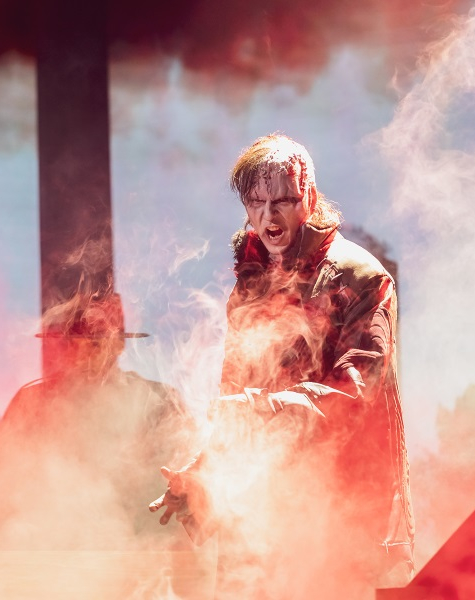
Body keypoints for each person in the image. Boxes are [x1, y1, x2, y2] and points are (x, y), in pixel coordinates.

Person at [150, 134, 414, 598]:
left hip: (336, 513)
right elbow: (235, 402)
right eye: (256, 203)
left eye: (283, 201)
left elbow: (354, 391)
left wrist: (262, 407)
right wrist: (204, 474)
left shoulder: (361, 278)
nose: (269, 217)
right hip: (258, 519)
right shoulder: (250, 286)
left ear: (308, 197)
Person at [0, 287, 202, 596]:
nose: (89, 353)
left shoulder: (157, 399)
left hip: (139, 564)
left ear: (120, 345)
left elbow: (191, 477)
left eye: (100, 342)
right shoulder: (32, 401)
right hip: (48, 565)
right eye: (81, 342)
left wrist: (190, 493)